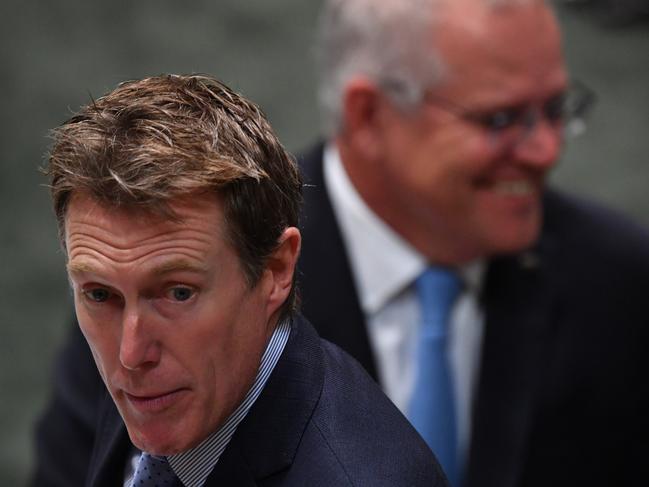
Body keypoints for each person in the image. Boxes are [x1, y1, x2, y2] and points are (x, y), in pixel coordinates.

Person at [32, 1, 649, 486]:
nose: (548, 150)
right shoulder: (144, 254)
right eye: (499, 120)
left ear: (278, 272)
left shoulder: (621, 282)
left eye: (553, 109)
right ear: (370, 116)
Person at [34, 74, 447, 487]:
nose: (130, 354)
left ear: (276, 270)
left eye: (178, 293)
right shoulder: (165, 381)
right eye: (100, 294)